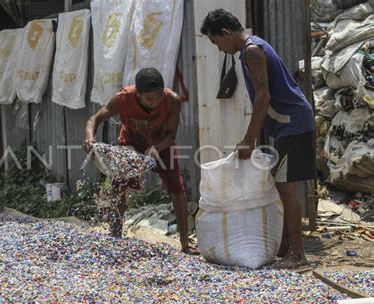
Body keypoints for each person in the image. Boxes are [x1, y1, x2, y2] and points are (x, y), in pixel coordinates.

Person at [200, 9, 316, 268]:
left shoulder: (252, 52)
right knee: (281, 183)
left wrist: (248, 139)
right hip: (288, 124)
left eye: (217, 42)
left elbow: (263, 97)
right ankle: (287, 247)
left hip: (293, 123)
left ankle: (297, 254)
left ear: (226, 33)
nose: (219, 49)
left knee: (285, 186)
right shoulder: (252, 49)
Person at [83, 68, 200, 255]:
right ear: (138, 94)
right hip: (131, 144)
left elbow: (171, 135)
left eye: (158, 97)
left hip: (161, 145)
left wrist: (156, 149)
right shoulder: (123, 98)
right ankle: (116, 236)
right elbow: (94, 119)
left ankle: (185, 243)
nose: (155, 102)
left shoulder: (172, 100)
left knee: (177, 188)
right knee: (118, 186)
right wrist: (89, 138)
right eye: (149, 99)